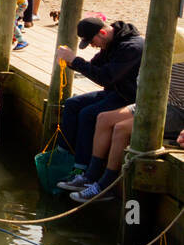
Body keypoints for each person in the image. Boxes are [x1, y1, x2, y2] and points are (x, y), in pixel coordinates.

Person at [72, 56, 184, 203]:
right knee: (103, 119)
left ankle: (106, 186)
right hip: (155, 102)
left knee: (121, 128)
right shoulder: (160, 50)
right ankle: (91, 175)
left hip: (177, 112)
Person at [55, 16, 145, 194]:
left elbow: (105, 77)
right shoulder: (112, 41)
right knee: (72, 104)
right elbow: (94, 66)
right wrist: (70, 61)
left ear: (103, 32)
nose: (93, 46)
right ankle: (63, 155)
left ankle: (83, 169)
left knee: (88, 114)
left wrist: (75, 60)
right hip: (115, 92)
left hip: (128, 97)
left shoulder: (131, 47)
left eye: (92, 41)